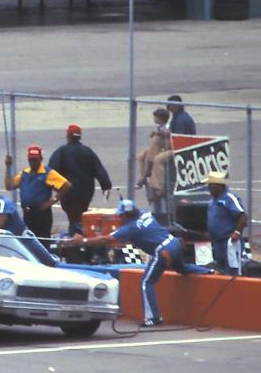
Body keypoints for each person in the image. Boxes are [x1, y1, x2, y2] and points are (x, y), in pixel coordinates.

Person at [75, 199, 182, 327]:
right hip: (174, 243)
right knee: (182, 269)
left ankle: (153, 318)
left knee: (146, 283)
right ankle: (204, 271)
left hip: (163, 251)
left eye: (120, 215)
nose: (119, 218)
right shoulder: (145, 214)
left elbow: (106, 239)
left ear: (125, 215)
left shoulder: (130, 228)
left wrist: (84, 241)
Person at [48, 124, 111, 234]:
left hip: (68, 193)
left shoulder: (61, 152)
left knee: (73, 218)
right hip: (85, 193)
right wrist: (106, 186)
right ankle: (79, 235)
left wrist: (56, 188)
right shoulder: (87, 151)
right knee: (80, 217)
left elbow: (51, 172)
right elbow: (99, 170)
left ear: (68, 136)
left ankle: (75, 237)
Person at [5, 145, 69, 240]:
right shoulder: (24, 173)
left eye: (35, 160)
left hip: (41, 213)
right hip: (27, 213)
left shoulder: (48, 173)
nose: (33, 162)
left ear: (40, 159)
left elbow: (66, 186)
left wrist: (52, 201)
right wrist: (8, 167)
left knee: (42, 240)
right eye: (31, 160)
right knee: (29, 240)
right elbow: (9, 186)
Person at [205, 171, 247, 275]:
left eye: (211, 185)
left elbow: (242, 215)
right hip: (217, 243)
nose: (209, 188)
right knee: (219, 271)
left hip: (229, 243)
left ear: (219, 186)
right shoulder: (212, 200)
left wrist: (237, 232)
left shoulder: (229, 198)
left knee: (232, 271)